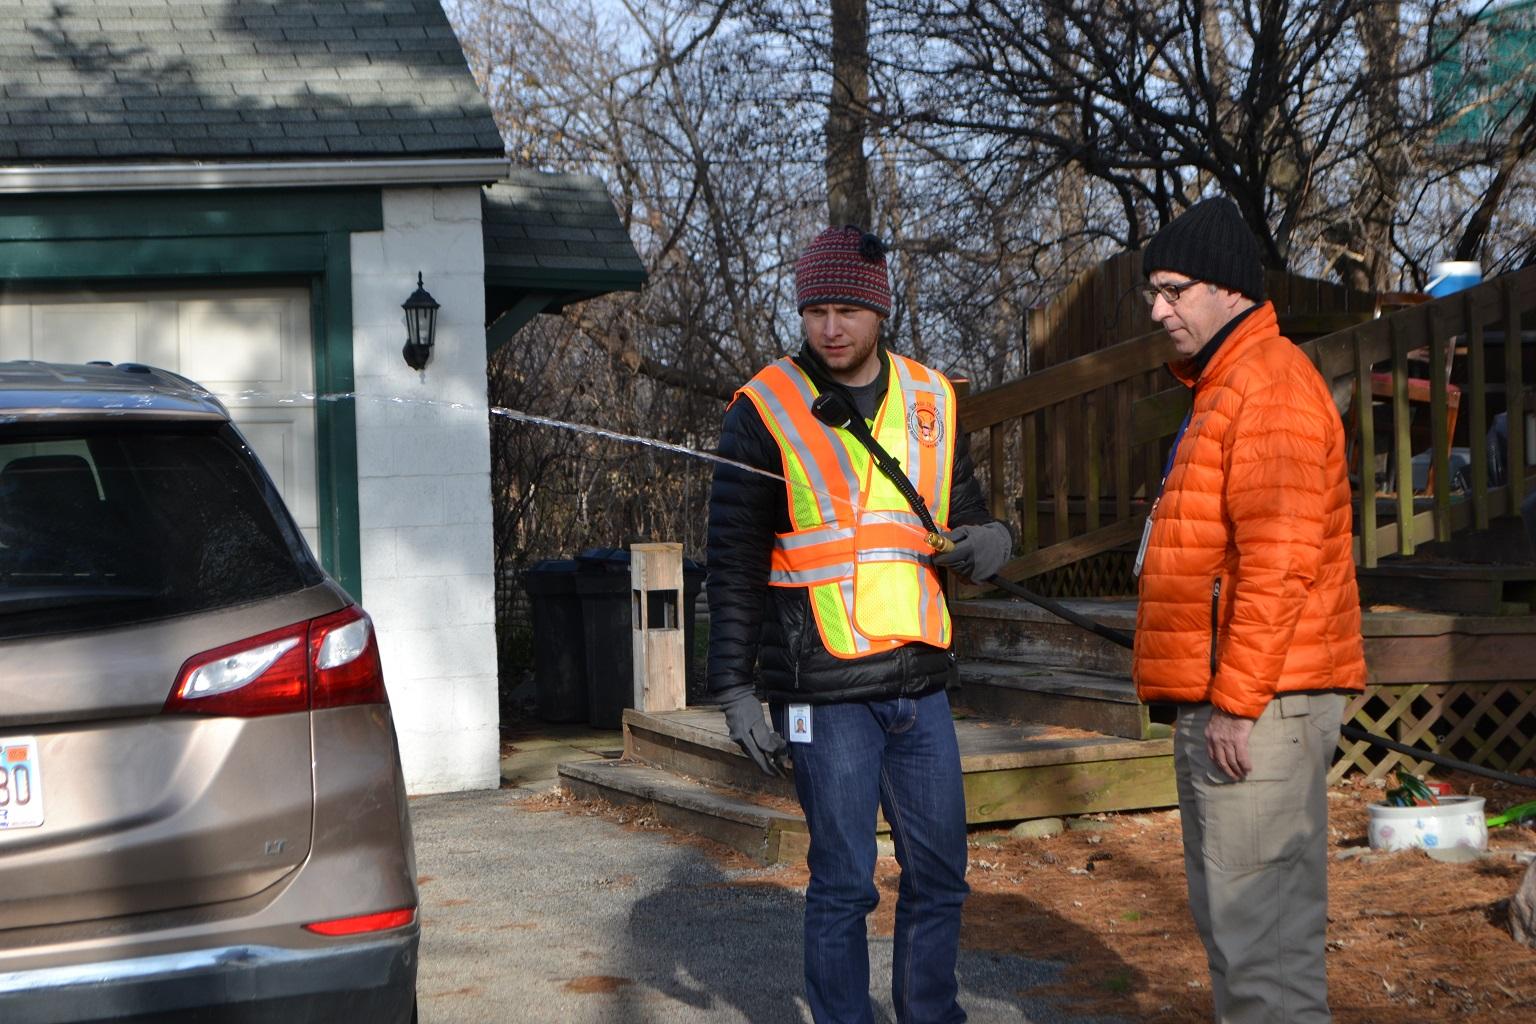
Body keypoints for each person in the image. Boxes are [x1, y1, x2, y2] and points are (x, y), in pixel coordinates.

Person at [705, 224, 1011, 1024]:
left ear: (880, 312)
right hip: (823, 685)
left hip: (920, 679)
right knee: (843, 881)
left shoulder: (932, 400)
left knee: (940, 873)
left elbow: (965, 512)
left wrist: (989, 541)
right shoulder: (766, 409)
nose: (829, 328)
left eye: (845, 310)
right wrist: (734, 688)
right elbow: (732, 562)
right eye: (815, 311)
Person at [1132, 197, 1368, 1023]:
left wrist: (1237, 702)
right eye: (1152, 292)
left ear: (1228, 288)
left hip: (1256, 708)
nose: (1158, 309)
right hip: (1231, 702)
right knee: (1244, 939)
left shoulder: (1267, 388)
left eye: (1173, 289)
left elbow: (1279, 564)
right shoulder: (1225, 388)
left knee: (1263, 954)